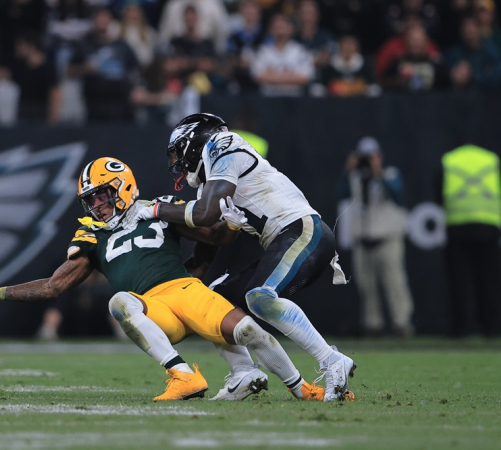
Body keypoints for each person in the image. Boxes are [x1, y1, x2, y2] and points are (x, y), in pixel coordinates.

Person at [0, 157, 353, 402]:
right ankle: (182, 375)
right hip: (152, 305)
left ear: (122, 186)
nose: (96, 204)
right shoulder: (91, 233)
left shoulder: (156, 209)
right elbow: (54, 284)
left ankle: (301, 388)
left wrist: (228, 228)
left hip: (186, 289)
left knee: (251, 332)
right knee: (121, 302)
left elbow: (212, 234)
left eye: (101, 195)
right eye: (90, 199)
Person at [129, 113, 357, 402]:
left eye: (178, 153)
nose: (177, 163)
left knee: (259, 296)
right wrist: (174, 290)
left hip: (302, 231)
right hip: (286, 240)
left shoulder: (221, 144)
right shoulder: (208, 185)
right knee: (213, 300)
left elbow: (205, 214)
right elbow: (209, 246)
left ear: (194, 141)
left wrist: (154, 209)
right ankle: (244, 372)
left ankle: (331, 360)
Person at [335, 137, 415, 337]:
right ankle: (373, 325)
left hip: (387, 239)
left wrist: (378, 173)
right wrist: (348, 171)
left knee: (395, 284)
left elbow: (398, 195)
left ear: (380, 156)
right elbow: (340, 194)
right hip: (363, 240)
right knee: (366, 287)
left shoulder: (390, 174)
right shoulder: (354, 177)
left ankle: (402, 323)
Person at [435, 143, 501, 337]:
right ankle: (491, 328)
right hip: (489, 226)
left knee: (458, 282)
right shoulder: (491, 159)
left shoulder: (449, 160)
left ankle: (459, 329)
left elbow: (439, 197)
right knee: (489, 280)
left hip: (458, 226)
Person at [250, 14, 314, 96]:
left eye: (283, 27)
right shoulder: (264, 51)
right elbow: (258, 76)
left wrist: (272, 74)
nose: (280, 31)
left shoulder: (300, 51)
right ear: (271, 30)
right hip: (268, 98)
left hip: (294, 98)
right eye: (277, 27)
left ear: (290, 29)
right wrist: (290, 75)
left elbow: (305, 78)